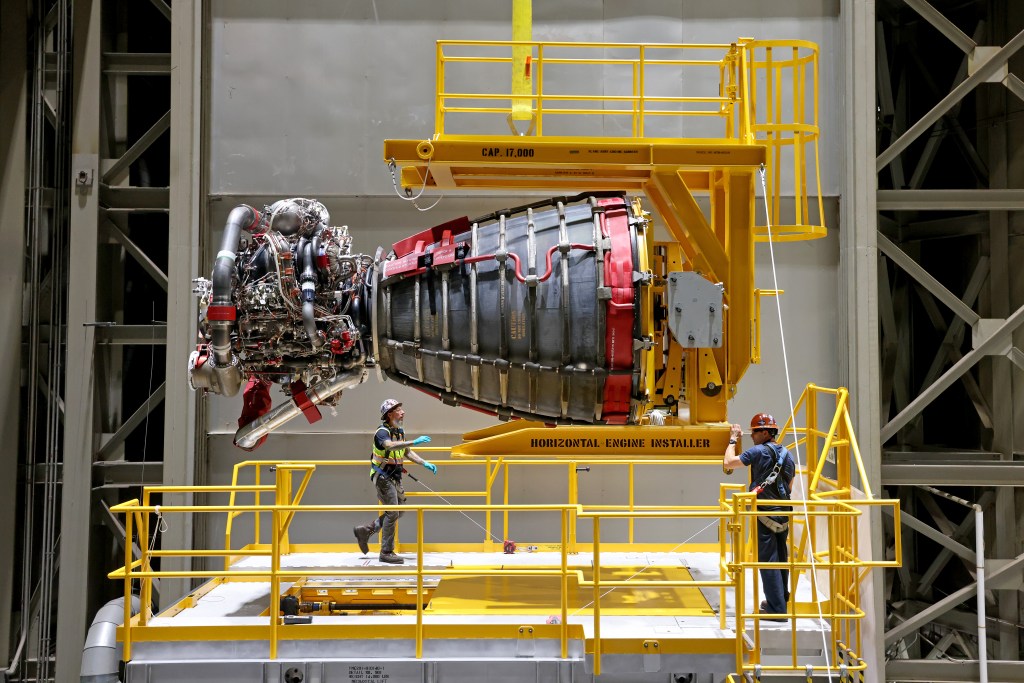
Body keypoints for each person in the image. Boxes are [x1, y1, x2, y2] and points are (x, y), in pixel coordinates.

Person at [722, 412, 796, 622]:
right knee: (782, 559)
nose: (752, 435)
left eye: (754, 432)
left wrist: (733, 439)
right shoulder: (787, 455)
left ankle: (776, 610)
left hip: (764, 513)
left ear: (765, 432)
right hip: (784, 513)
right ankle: (780, 601)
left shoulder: (758, 452)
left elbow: (729, 462)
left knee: (769, 560)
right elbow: (790, 485)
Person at [353, 399, 437, 564]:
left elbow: (407, 452)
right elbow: (390, 446)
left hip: (395, 477)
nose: (403, 412)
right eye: (398, 409)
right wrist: (415, 441)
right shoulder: (382, 432)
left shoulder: (399, 431)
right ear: (389, 414)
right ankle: (386, 552)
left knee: (400, 511)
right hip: (382, 476)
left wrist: (424, 463)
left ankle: (366, 530)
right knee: (393, 512)